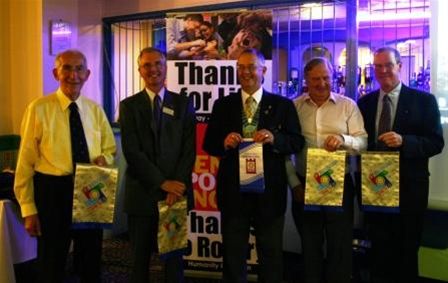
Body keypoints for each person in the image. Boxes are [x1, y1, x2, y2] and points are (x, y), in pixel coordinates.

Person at [14, 49, 116, 283]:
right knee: (52, 260)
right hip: (53, 191)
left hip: (91, 188)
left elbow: (110, 149)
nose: (73, 75)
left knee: (90, 259)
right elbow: (25, 161)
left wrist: (104, 159)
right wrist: (29, 210)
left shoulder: (94, 109)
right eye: (67, 68)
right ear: (55, 73)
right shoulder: (38, 108)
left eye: (79, 68)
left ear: (87, 74)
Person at [203, 48, 304, 283]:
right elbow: (209, 143)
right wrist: (224, 142)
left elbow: (296, 141)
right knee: (233, 255)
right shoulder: (223, 105)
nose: (246, 72)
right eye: (241, 67)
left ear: (264, 70)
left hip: (269, 193)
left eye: (251, 67)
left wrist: (274, 138)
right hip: (233, 193)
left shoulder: (282, 105)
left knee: (271, 256)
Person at [357, 47, 444, 283]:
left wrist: (404, 141)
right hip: (375, 191)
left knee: (406, 254)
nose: (383, 71)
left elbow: (436, 142)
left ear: (400, 66)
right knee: (378, 254)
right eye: (377, 66)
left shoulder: (423, 101)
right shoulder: (364, 103)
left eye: (388, 65)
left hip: (409, 191)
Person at [286, 57, 367, 283]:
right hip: (305, 184)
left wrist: (343, 140)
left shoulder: (348, 105)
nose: (321, 83)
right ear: (306, 80)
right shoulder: (294, 107)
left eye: (326, 77)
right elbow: (285, 150)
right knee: (309, 246)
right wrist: (294, 184)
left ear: (332, 76)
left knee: (339, 246)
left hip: (339, 186)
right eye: (315, 79)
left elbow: (363, 143)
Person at [119, 47, 196, 283]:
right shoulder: (128, 106)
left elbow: (188, 149)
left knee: (174, 262)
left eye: (158, 64)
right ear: (140, 70)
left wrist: (177, 186)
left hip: (175, 196)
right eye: (147, 65)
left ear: (165, 67)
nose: (153, 69)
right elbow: (133, 152)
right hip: (142, 194)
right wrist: (163, 183)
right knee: (140, 262)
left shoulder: (183, 103)